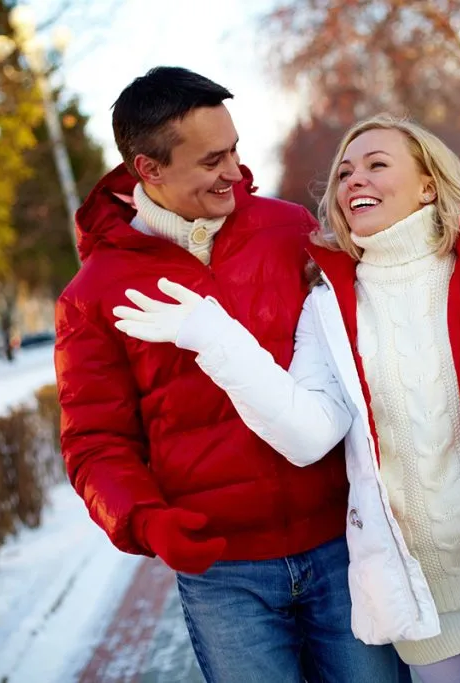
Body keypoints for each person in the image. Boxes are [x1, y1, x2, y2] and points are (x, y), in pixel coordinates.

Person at [116, 114, 460, 682]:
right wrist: (215, 336)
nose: (355, 179)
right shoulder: (328, 306)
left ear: (428, 183)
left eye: (377, 164)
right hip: (426, 590)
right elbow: (309, 436)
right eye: (344, 172)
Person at [53, 68, 403, 683]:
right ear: (149, 169)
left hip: (344, 543)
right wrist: (144, 520)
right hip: (225, 576)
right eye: (213, 160)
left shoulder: (289, 230)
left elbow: (392, 302)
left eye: (236, 150)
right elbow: (94, 443)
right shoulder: (93, 295)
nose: (235, 172)